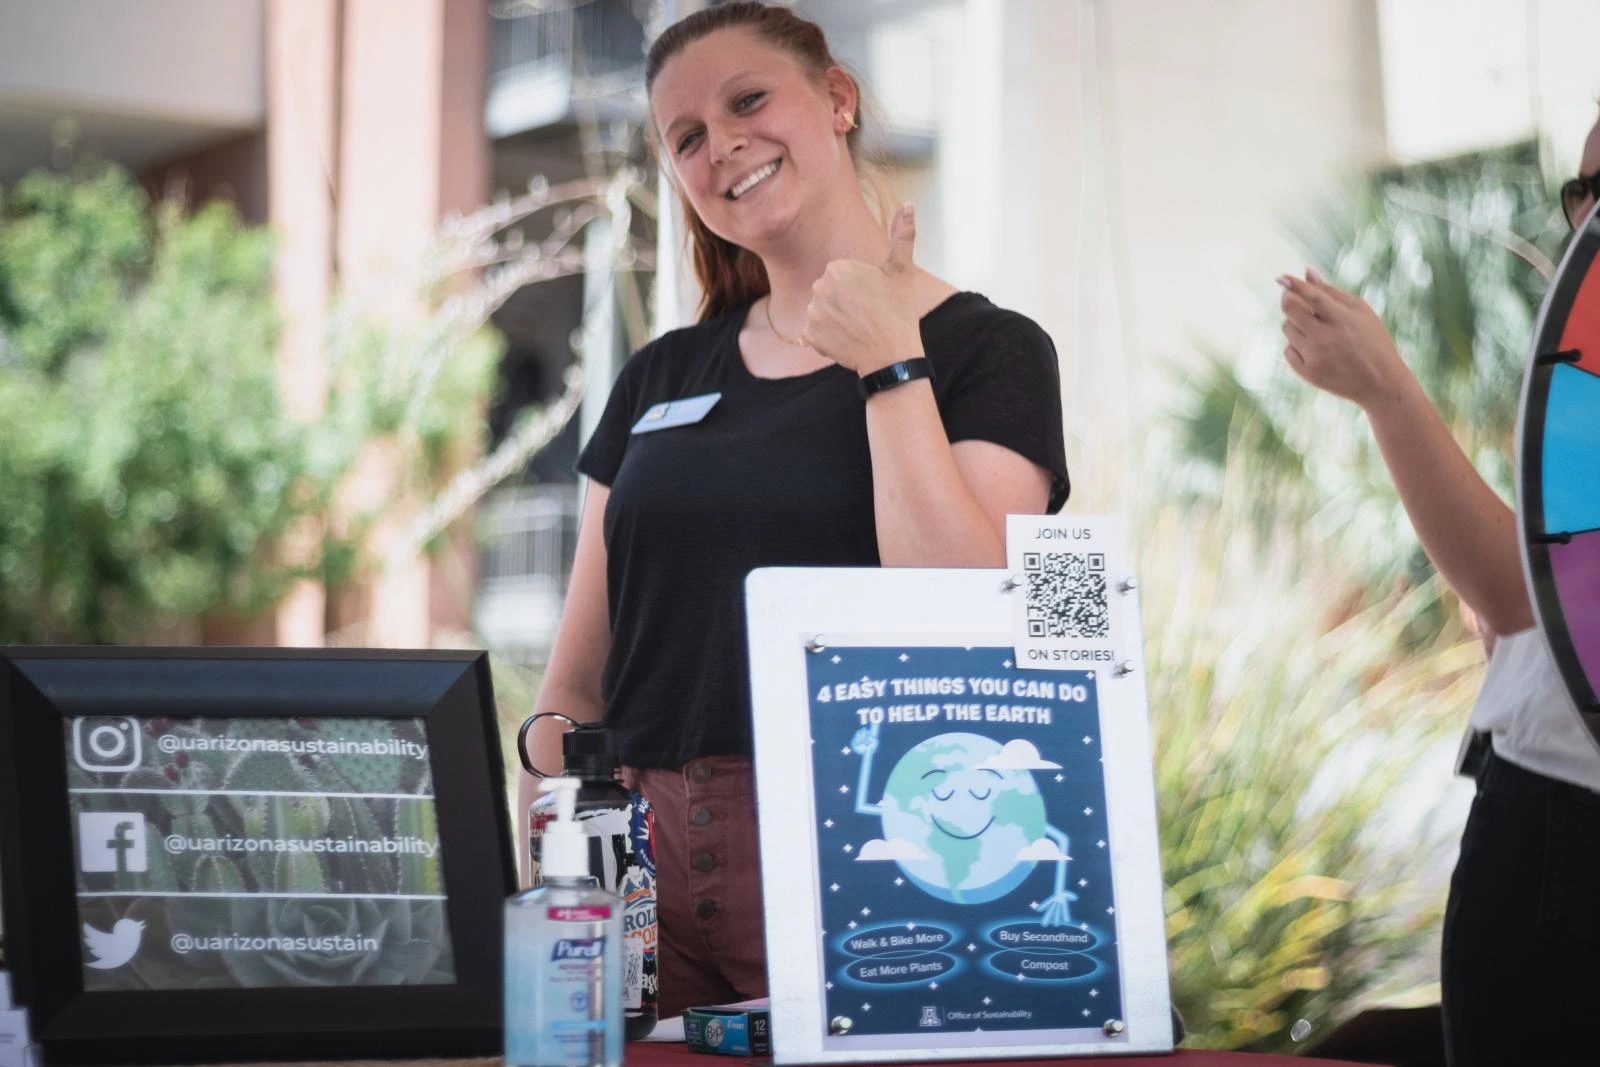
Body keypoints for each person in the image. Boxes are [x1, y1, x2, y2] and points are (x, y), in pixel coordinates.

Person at [518, 1, 1070, 1019]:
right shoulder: (658, 376)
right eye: (686, 137)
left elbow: (972, 622)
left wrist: (890, 360)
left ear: (838, 100)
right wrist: (552, 871)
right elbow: (578, 678)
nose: (721, 144)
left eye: (747, 101)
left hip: (862, 838)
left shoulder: (989, 349)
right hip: (630, 854)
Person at [1277, 107, 1600, 1067]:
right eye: (1579, 191)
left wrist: (1387, 389)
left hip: (1562, 821)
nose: (1585, 219)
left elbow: (1515, 599)